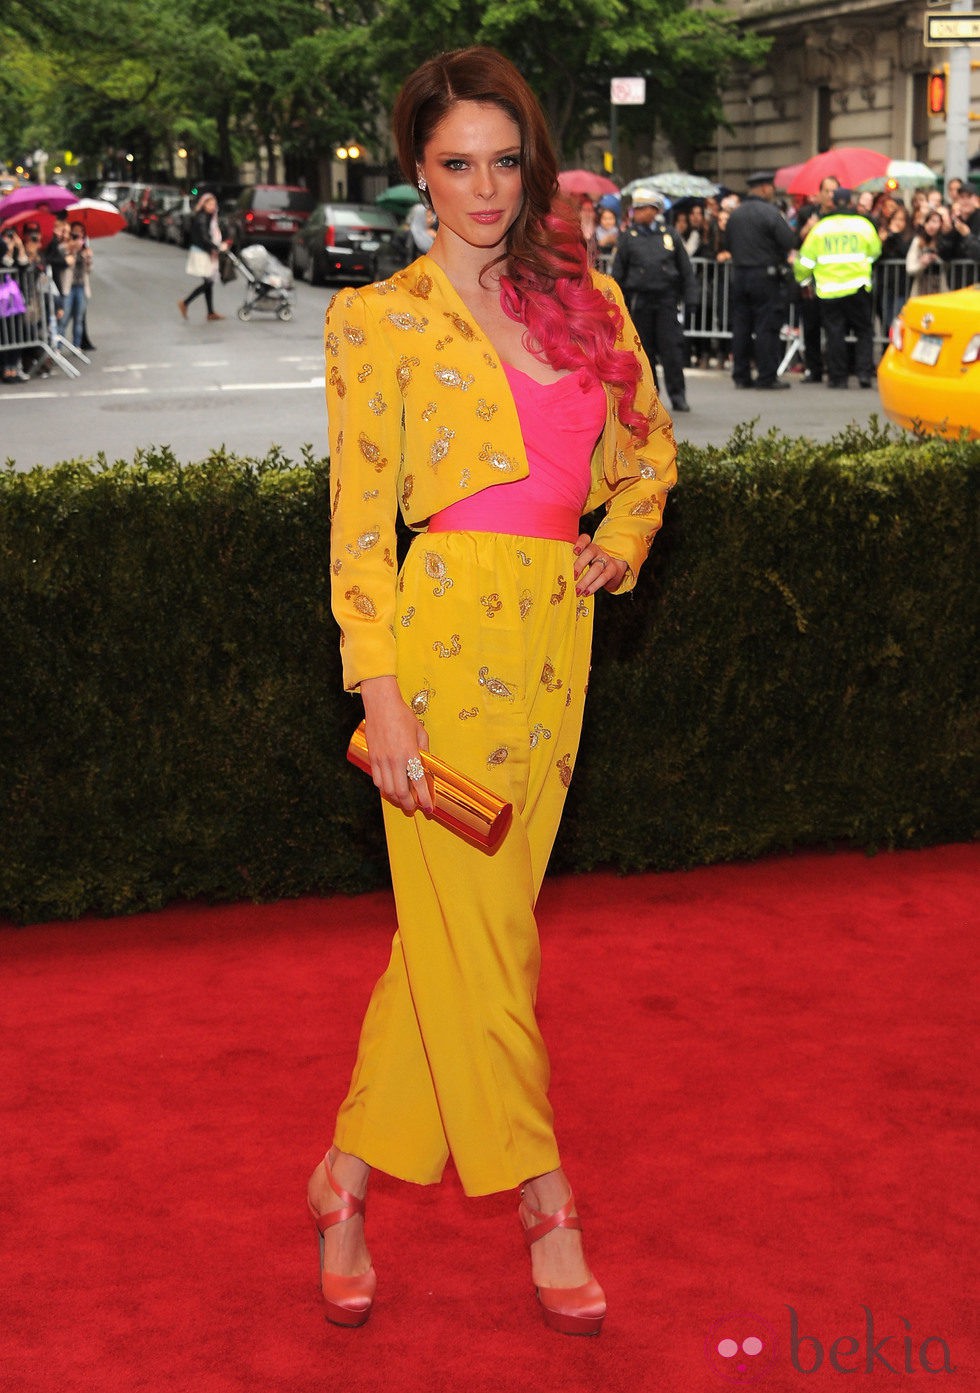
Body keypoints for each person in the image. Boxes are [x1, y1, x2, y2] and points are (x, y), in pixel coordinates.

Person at [314, 44, 676, 1337]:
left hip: (553, 652)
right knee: (488, 938)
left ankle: (343, 1183)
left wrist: (618, 544)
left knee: (454, 942)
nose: (483, 187)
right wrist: (379, 693)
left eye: (505, 161)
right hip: (439, 639)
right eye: (456, 163)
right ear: (417, 169)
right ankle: (547, 1198)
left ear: (532, 166)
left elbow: (651, 461)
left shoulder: (589, 302)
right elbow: (361, 532)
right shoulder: (376, 320)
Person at [611, 188, 697, 412]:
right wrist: (614, 303)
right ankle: (652, 396)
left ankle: (678, 395)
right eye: (636, 209)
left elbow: (685, 269)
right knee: (644, 352)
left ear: (654, 210)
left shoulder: (669, 235)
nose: (637, 213)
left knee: (671, 350)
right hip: (640, 301)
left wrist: (691, 297)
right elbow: (618, 273)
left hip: (666, 299)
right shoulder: (628, 238)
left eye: (642, 208)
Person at [794, 187, 881, 389]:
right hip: (858, 286)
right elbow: (875, 251)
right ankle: (864, 374)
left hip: (829, 289)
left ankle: (838, 377)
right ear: (850, 203)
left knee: (835, 334)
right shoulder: (863, 225)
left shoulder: (821, 228)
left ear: (833, 203)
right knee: (864, 331)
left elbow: (805, 260)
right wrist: (864, 265)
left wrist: (803, 280)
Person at [724, 170, 796, 389]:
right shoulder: (770, 213)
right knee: (766, 326)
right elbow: (788, 240)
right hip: (765, 276)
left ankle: (741, 375)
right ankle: (766, 376)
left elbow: (728, 243)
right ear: (765, 188)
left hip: (740, 275)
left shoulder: (735, 215)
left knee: (742, 326)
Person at [793, 174, 840, 384]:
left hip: (834, 279)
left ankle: (835, 368)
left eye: (834, 191)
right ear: (819, 194)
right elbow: (794, 241)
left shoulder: (841, 216)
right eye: (827, 191)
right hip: (812, 279)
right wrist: (807, 227)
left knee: (833, 328)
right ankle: (813, 369)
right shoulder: (807, 214)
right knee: (810, 326)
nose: (831, 195)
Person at [177, 192, 227, 321]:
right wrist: (216, 248)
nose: (212, 206)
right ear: (203, 204)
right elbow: (205, 237)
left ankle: (210, 312)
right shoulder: (202, 218)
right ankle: (185, 303)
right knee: (208, 282)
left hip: (205, 251)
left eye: (214, 204)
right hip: (201, 252)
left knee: (208, 282)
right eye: (209, 204)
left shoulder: (209, 217)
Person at [905, 209, 949, 298]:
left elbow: (950, 262)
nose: (931, 225)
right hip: (921, 286)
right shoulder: (918, 241)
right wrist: (922, 263)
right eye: (928, 221)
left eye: (935, 221)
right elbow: (910, 267)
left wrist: (936, 259)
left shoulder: (945, 241)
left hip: (940, 286)